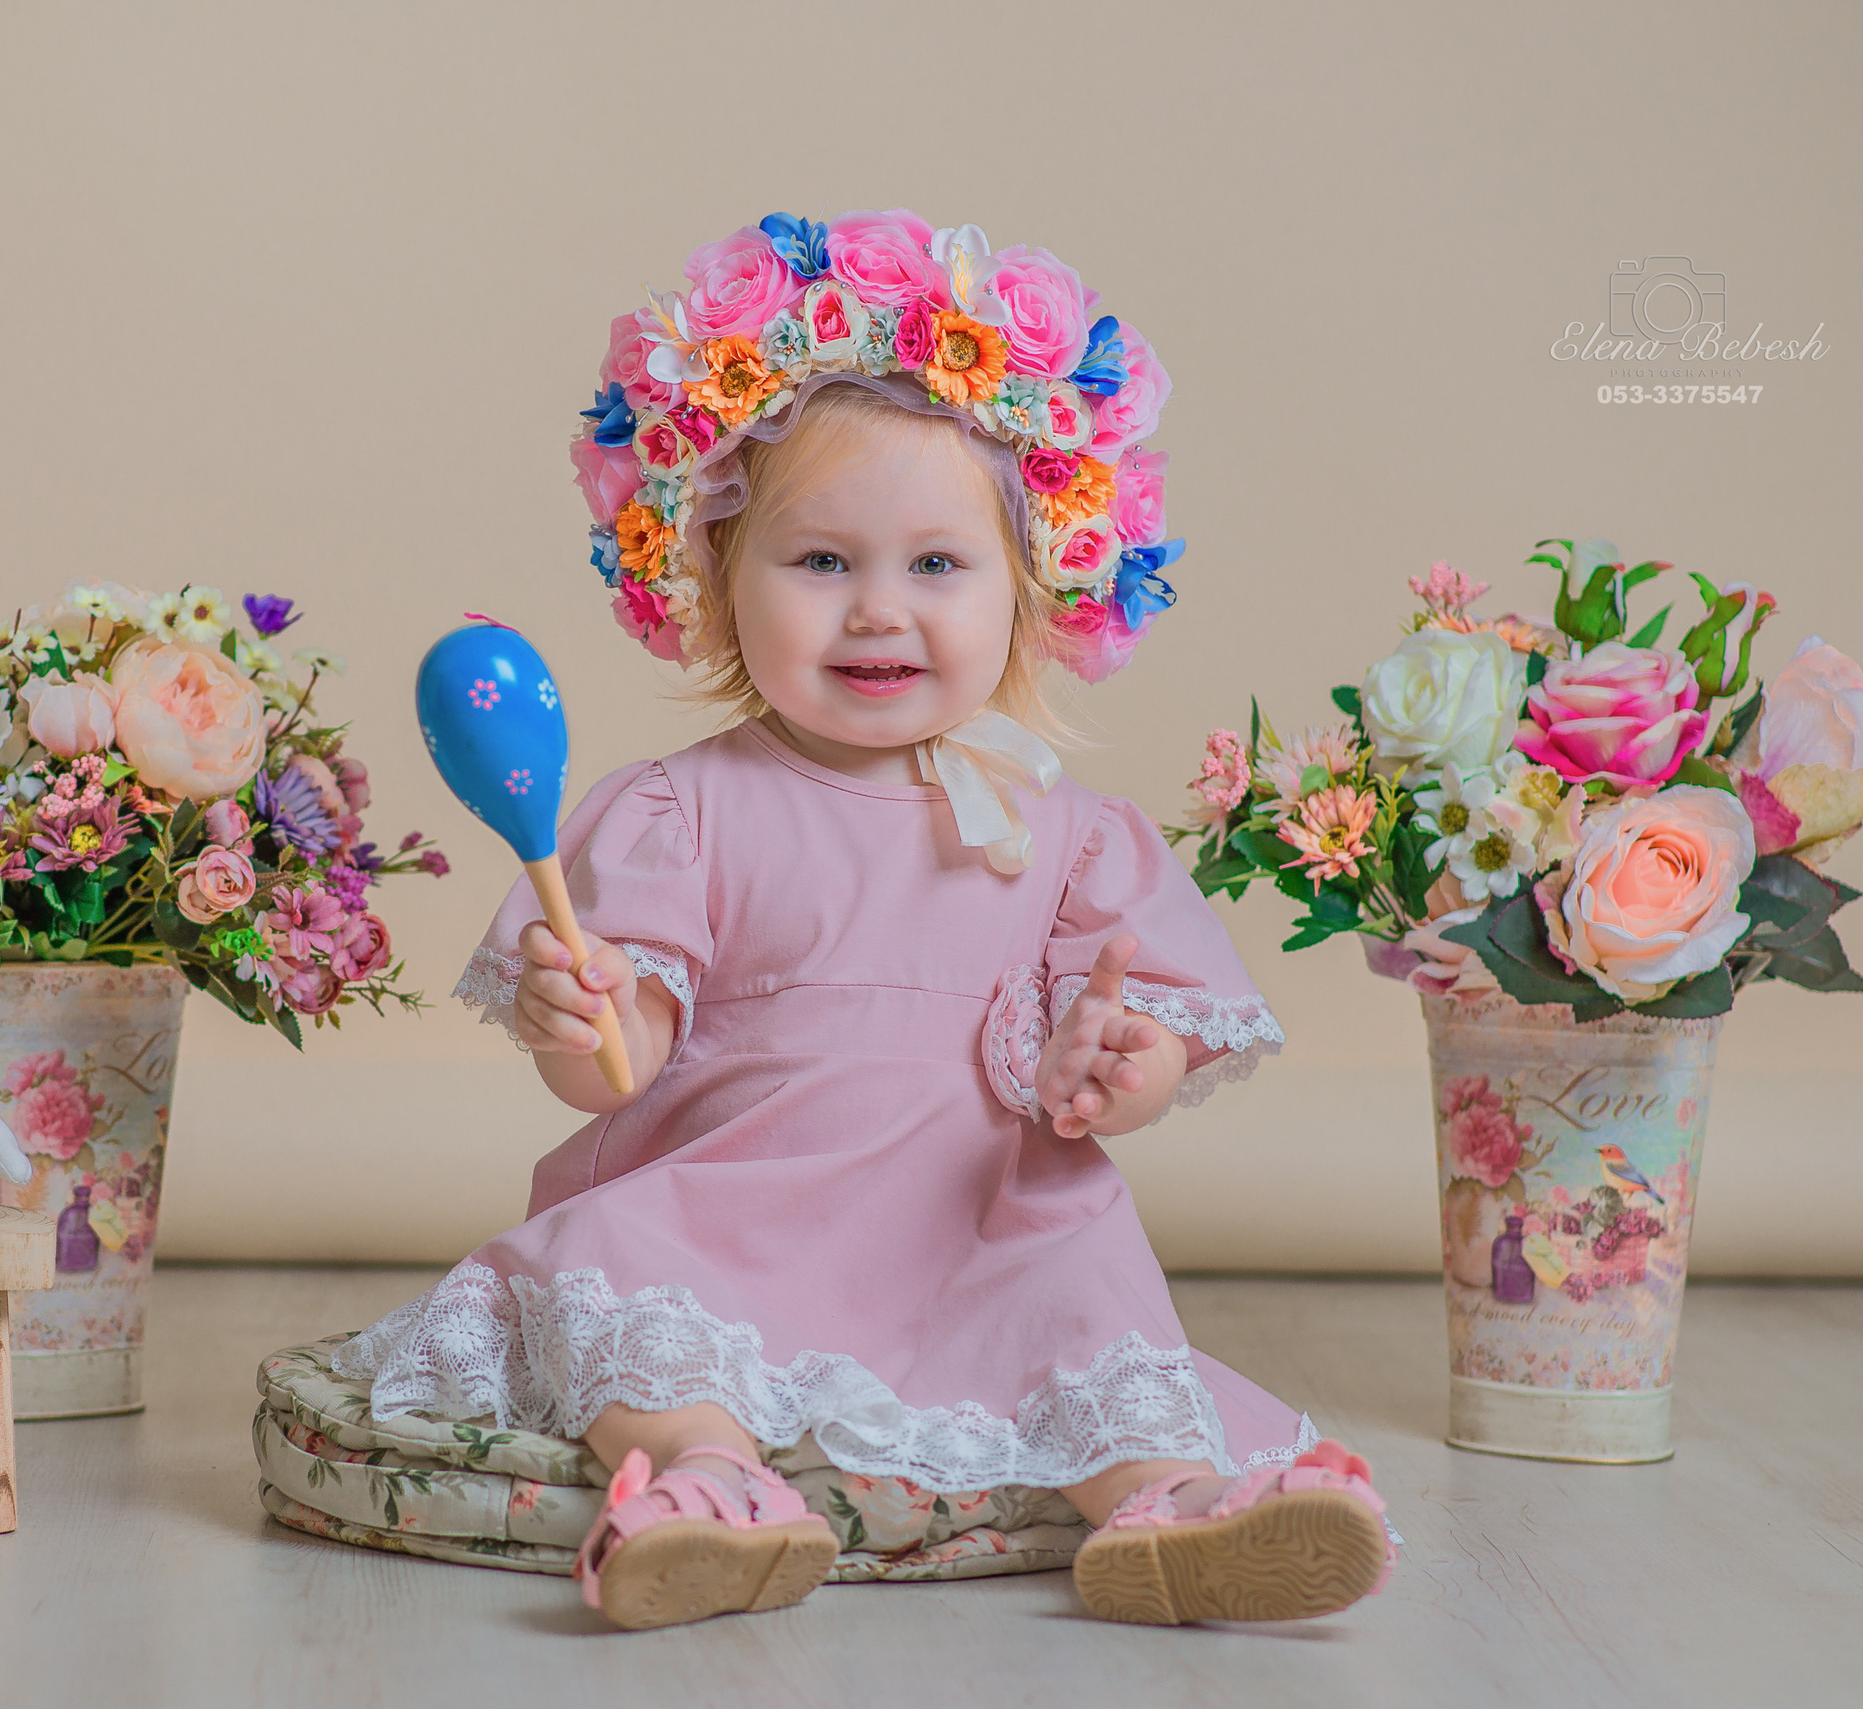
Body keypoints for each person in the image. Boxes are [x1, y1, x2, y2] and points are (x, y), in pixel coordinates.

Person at [334, 210, 1395, 1630]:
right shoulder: (682, 809)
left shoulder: (1071, 837)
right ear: (717, 581)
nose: (879, 612)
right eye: (822, 562)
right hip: (732, 1207)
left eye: (938, 566)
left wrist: (1115, 1067)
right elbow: (614, 1072)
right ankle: (710, 1485)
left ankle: (1177, 1507)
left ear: (1034, 586)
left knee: (1086, 1306)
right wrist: (577, 1012)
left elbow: (1137, 1062)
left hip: (984, 1222)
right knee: (619, 1271)